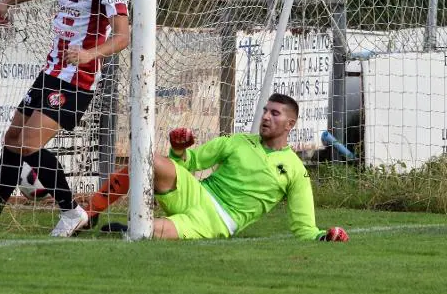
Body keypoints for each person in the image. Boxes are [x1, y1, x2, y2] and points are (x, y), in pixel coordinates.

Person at [0, 0, 130, 237]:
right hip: (51, 72)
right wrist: (9, 1)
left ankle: (71, 211)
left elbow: (122, 36)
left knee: (29, 145)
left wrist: (91, 54)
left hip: (78, 80)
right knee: (12, 141)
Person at [88, 93, 349, 242]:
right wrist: (179, 149)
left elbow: (304, 228)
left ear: (290, 124)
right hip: (196, 192)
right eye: (266, 111)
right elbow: (187, 163)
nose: (266, 117)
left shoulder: (296, 170)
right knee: (149, 160)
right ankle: (91, 211)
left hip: (217, 220)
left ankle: (132, 230)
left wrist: (325, 237)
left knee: (144, 233)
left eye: (275, 114)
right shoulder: (237, 141)